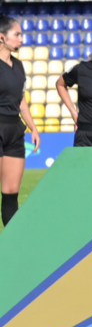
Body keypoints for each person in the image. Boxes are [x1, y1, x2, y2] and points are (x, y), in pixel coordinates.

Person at [0, 16, 40, 226]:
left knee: (11, 193)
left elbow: (21, 101)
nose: (21, 39)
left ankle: (11, 243)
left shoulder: (19, 65)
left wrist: (33, 127)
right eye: (17, 34)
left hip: (15, 130)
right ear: (1, 37)